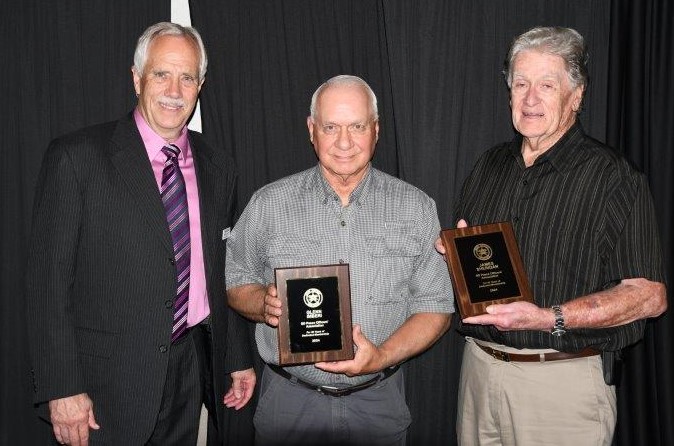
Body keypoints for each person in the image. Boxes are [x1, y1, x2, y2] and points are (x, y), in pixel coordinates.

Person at [25, 22, 255, 445]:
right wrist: (61, 387)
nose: (174, 89)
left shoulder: (218, 165)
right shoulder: (76, 159)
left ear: (200, 85)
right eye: (161, 74)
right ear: (136, 78)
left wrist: (236, 356)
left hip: (191, 366)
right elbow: (47, 286)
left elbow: (223, 268)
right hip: (104, 385)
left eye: (187, 77)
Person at [443, 26, 667, 445]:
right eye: (521, 83)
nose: (530, 99)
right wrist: (454, 256)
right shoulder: (489, 166)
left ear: (576, 96)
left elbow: (649, 296)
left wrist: (549, 318)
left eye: (546, 85)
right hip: (478, 373)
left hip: (559, 384)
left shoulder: (614, 178)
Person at [225, 74, 454, 446]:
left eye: (357, 126)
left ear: (376, 130)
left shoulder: (415, 208)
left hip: (378, 405)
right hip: (289, 403)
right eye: (331, 127)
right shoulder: (269, 203)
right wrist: (260, 302)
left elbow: (436, 307)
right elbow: (235, 280)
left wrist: (381, 356)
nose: (344, 142)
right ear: (311, 130)